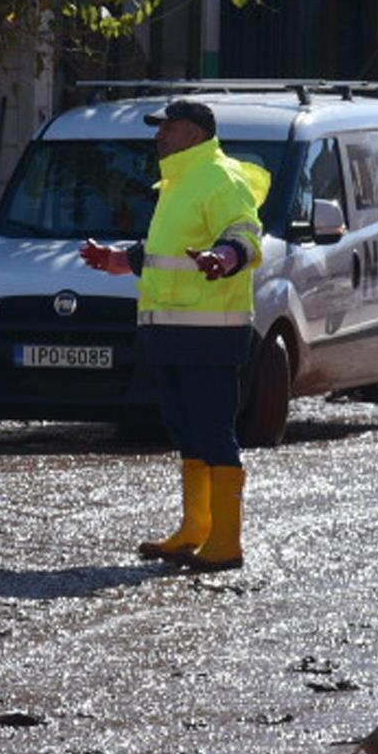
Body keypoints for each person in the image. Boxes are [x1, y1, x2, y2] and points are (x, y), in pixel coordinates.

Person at [79, 98, 270, 572]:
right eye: (159, 129)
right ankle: (196, 529)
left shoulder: (221, 177)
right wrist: (118, 260)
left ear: (195, 134)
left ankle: (226, 541)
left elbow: (246, 236)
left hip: (210, 332)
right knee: (187, 430)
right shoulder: (179, 181)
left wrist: (225, 258)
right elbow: (166, 250)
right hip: (172, 330)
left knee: (213, 429)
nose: (159, 137)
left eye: (169, 128)